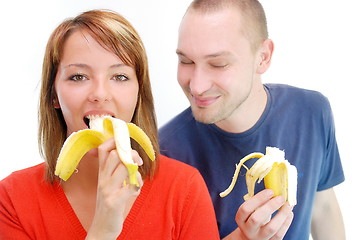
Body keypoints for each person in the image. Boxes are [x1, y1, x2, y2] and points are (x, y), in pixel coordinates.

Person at [0, 9, 220, 240]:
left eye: (119, 77)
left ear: (138, 93)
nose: (100, 94)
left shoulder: (184, 188)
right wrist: (103, 229)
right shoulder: (11, 200)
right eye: (78, 77)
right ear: (53, 95)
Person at [159, 0, 345, 239]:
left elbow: (323, 206)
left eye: (218, 64)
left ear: (263, 57)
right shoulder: (165, 153)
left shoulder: (313, 111)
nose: (196, 86)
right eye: (186, 61)